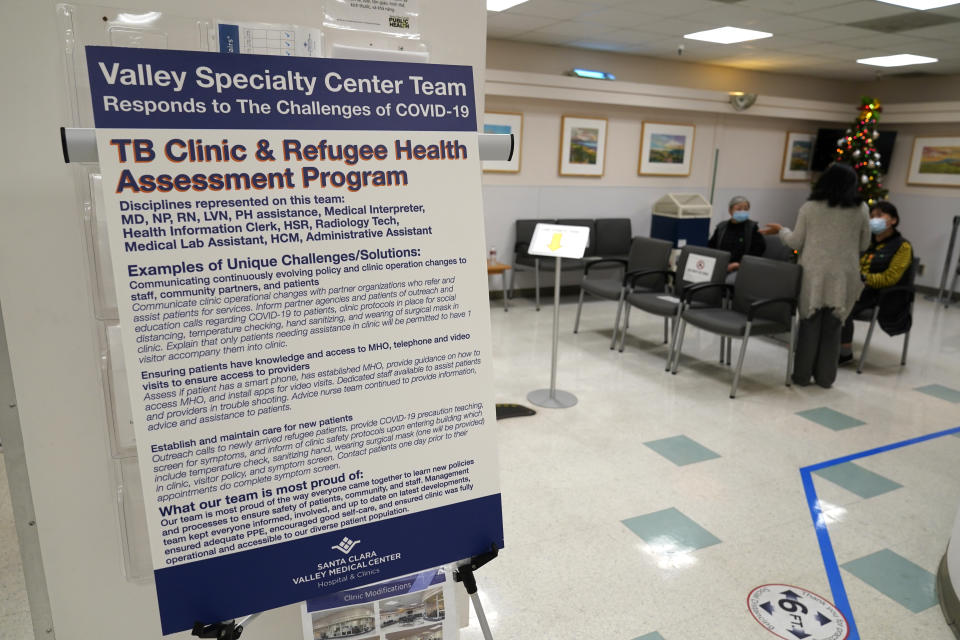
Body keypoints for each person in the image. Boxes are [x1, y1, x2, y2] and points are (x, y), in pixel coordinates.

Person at [760, 163, 871, 388]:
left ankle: (801, 377)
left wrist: (781, 230)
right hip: (845, 275)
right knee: (833, 326)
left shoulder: (810, 208)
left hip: (814, 274)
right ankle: (826, 378)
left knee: (809, 325)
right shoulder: (861, 210)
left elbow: (795, 242)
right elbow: (865, 243)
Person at [840, 201, 913, 364]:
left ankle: (844, 352)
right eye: (871, 216)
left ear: (893, 220)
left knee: (842, 305)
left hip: (881, 295)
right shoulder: (867, 242)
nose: (874, 220)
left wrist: (864, 278)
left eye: (879, 215)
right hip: (859, 288)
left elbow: (891, 278)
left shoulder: (902, 246)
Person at [708, 195, 765, 283]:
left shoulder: (752, 228)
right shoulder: (721, 227)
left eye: (745, 209)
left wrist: (739, 264)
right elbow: (711, 247)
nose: (742, 211)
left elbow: (758, 250)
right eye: (738, 209)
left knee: (728, 281)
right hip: (721, 265)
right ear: (730, 211)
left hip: (741, 267)